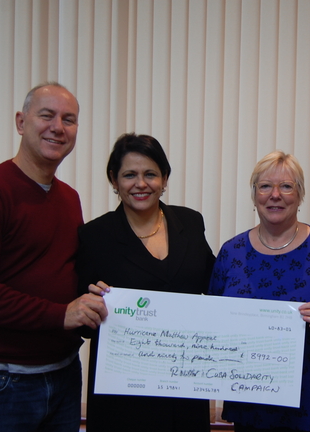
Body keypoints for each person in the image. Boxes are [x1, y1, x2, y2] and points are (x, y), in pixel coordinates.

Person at [0, 82, 108, 432]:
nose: (58, 127)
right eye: (46, 115)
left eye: (69, 119)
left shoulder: (69, 198)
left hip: (63, 374)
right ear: (21, 122)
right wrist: (60, 314)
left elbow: (64, 272)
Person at [77, 133, 216, 432]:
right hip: (123, 396)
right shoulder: (94, 236)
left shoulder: (190, 223)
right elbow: (80, 321)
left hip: (185, 386)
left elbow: (215, 285)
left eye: (150, 174)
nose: (141, 184)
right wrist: (91, 306)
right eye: (130, 175)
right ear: (114, 180)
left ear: (164, 178)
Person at [208, 151, 310, 432]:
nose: (275, 195)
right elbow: (213, 319)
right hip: (249, 398)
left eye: (286, 186)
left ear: (300, 194)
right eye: (265, 186)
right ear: (254, 194)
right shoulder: (231, 252)